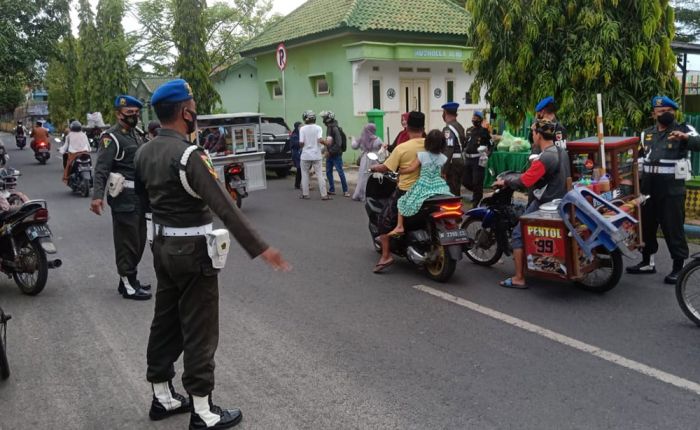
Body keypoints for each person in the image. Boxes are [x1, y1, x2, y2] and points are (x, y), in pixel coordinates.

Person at [134, 78, 290, 429]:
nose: (196, 114)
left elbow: (142, 204)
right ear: (186, 113)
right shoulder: (190, 155)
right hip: (193, 252)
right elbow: (226, 206)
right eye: (194, 108)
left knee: (166, 319)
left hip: (162, 246)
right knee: (200, 328)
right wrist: (262, 249)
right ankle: (202, 410)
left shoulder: (144, 151)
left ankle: (162, 395)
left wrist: (154, 241)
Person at [626, 96, 700, 284]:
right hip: (649, 187)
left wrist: (685, 139)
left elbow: (698, 143)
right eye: (660, 111)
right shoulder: (647, 134)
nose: (664, 114)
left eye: (668, 111)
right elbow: (639, 158)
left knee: (673, 227)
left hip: (671, 188)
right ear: (654, 114)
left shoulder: (684, 129)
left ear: (674, 112)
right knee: (646, 225)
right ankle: (647, 262)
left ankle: (678, 267)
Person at [494, 119, 571, 289]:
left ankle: (519, 277)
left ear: (538, 135)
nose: (532, 134)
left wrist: (505, 181)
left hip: (547, 202)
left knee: (517, 234)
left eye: (533, 132)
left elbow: (526, 180)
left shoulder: (546, 157)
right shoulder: (560, 151)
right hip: (562, 198)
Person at [90, 95, 151, 300]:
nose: (134, 117)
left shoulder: (137, 134)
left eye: (136, 113)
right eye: (129, 113)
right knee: (128, 241)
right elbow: (101, 169)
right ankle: (128, 283)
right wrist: (97, 196)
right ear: (118, 114)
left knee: (140, 239)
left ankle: (128, 279)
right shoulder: (111, 138)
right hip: (125, 197)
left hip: (141, 196)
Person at [369, 111, 426, 273]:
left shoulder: (403, 148)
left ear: (408, 127)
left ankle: (386, 255)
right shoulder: (431, 144)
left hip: (407, 191)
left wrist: (374, 167)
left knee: (383, 220)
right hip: (432, 191)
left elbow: (386, 167)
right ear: (423, 127)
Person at [388, 130, 452, 237]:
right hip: (439, 185)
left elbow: (411, 168)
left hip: (424, 184)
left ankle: (399, 226)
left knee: (402, 201)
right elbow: (441, 174)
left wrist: (400, 171)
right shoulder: (443, 158)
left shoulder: (422, 155)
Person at [462, 111, 493, 207]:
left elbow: (491, 144)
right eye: (473, 117)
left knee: (477, 181)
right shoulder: (469, 130)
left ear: (480, 120)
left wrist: (488, 154)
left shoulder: (484, 131)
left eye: (476, 117)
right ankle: (478, 192)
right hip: (468, 159)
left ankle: (476, 200)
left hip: (478, 160)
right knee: (465, 181)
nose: (474, 119)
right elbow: (465, 144)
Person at [299, 110, 330, 200]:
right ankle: (324, 195)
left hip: (305, 156)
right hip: (316, 155)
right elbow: (320, 140)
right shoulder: (318, 128)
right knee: (319, 174)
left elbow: (301, 143)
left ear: (305, 119)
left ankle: (305, 194)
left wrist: (304, 145)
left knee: (304, 174)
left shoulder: (302, 129)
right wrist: (327, 143)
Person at [351, 123, 384, 201]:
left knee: (363, 177)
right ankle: (373, 194)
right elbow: (381, 149)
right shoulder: (377, 139)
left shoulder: (362, 139)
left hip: (365, 159)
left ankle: (361, 194)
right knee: (374, 177)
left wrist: (352, 139)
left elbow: (354, 146)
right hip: (375, 158)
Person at [321, 111, 350, 197]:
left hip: (336, 154)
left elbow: (338, 143)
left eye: (324, 118)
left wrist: (330, 152)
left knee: (340, 172)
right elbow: (329, 141)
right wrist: (325, 150)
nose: (323, 120)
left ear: (328, 119)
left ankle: (346, 190)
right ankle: (332, 189)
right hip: (330, 154)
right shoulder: (329, 128)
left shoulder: (334, 129)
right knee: (328, 172)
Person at [440, 102, 465, 196]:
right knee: (456, 189)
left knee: (452, 192)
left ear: (445, 112)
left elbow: (448, 149)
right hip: (460, 162)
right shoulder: (460, 126)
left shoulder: (448, 129)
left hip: (452, 164)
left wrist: (443, 170)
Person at [289, 121, 302, 189]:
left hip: (301, 154)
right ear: (297, 127)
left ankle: (299, 184)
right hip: (296, 154)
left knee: (302, 169)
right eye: (300, 126)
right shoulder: (294, 135)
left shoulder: (301, 133)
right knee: (299, 169)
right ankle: (297, 184)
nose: (301, 127)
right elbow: (295, 144)